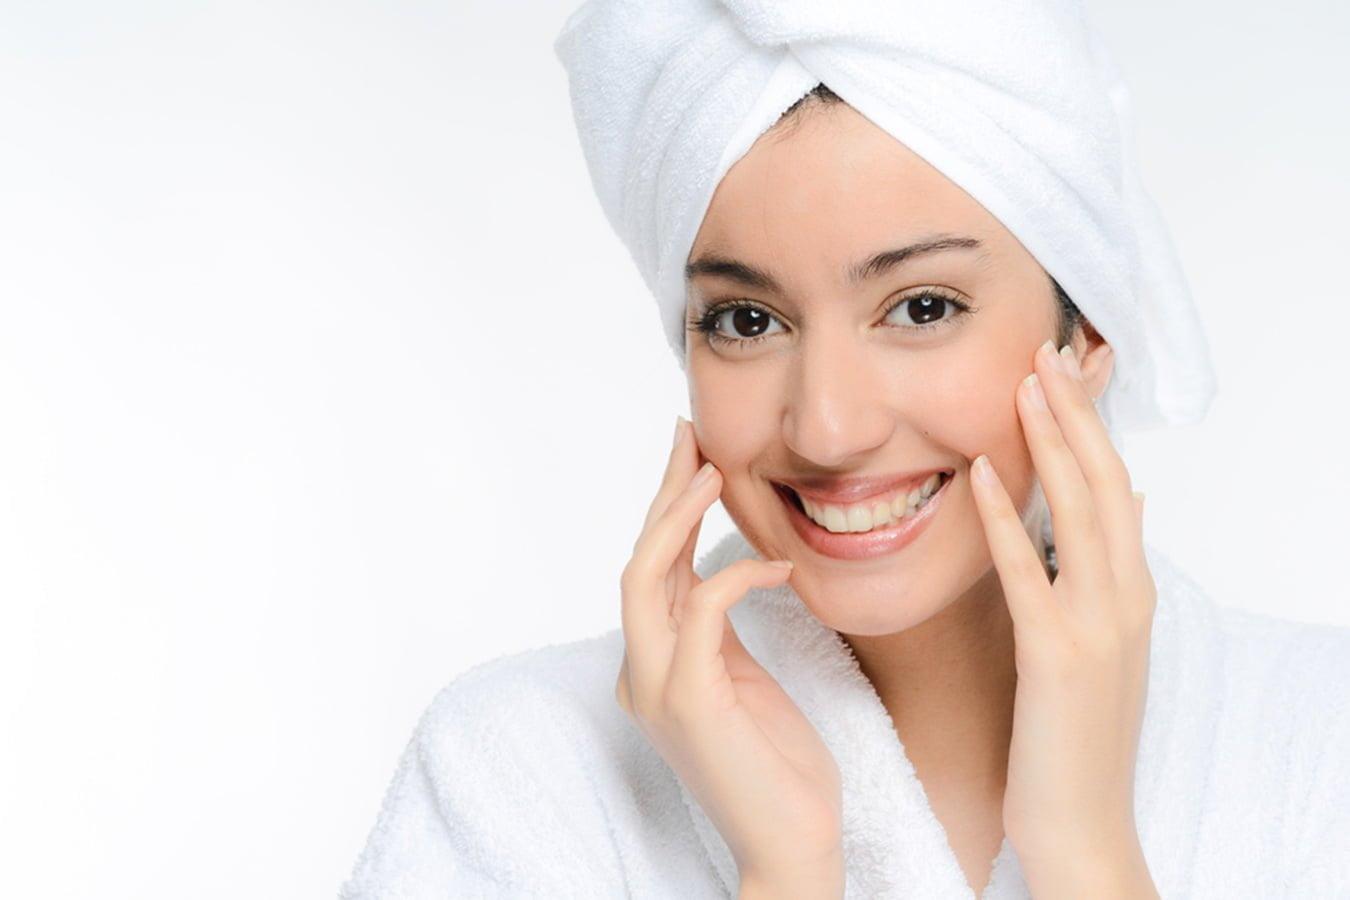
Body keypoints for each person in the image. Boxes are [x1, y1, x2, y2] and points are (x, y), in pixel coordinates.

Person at [340, 4, 1350, 898]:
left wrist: (1085, 858)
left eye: (920, 307)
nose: (826, 427)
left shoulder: (1316, 746)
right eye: (745, 321)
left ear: (1085, 343)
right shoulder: (519, 774)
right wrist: (785, 875)